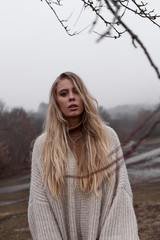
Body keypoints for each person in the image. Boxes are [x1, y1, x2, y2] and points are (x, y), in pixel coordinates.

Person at [28, 72, 139, 240]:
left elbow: (120, 195)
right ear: (56, 101)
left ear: (84, 96)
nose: (71, 97)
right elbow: (40, 205)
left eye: (77, 91)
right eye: (64, 94)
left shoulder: (107, 137)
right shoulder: (42, 146)